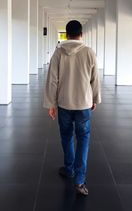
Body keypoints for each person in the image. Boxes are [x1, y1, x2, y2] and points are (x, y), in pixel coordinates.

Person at [44, 20, 101, 196]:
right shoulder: (89, 52)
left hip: (64, 103)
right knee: (83, 139)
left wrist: (51, 104)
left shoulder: (58, 53)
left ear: (67, 35)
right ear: (81, 34)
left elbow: (52, 79)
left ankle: (69, 169)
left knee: (66, 136)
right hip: (83, 103)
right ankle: (80, 181)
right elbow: (95, 79)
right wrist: (94, 99)